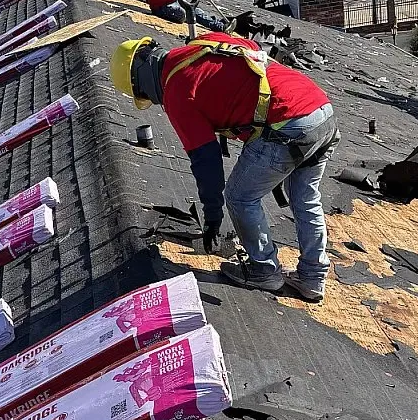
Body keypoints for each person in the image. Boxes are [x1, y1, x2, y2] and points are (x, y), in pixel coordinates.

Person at [110, 32, 339, 302]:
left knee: (240, 197)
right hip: (320, 110)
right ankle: (312, 279)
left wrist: (213, 217)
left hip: (286, 122)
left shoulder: (177, 92)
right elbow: (252, 51)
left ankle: (264, 270)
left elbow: (206, 161)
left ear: (141, 83)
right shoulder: (203, 44)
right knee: (306, 198)